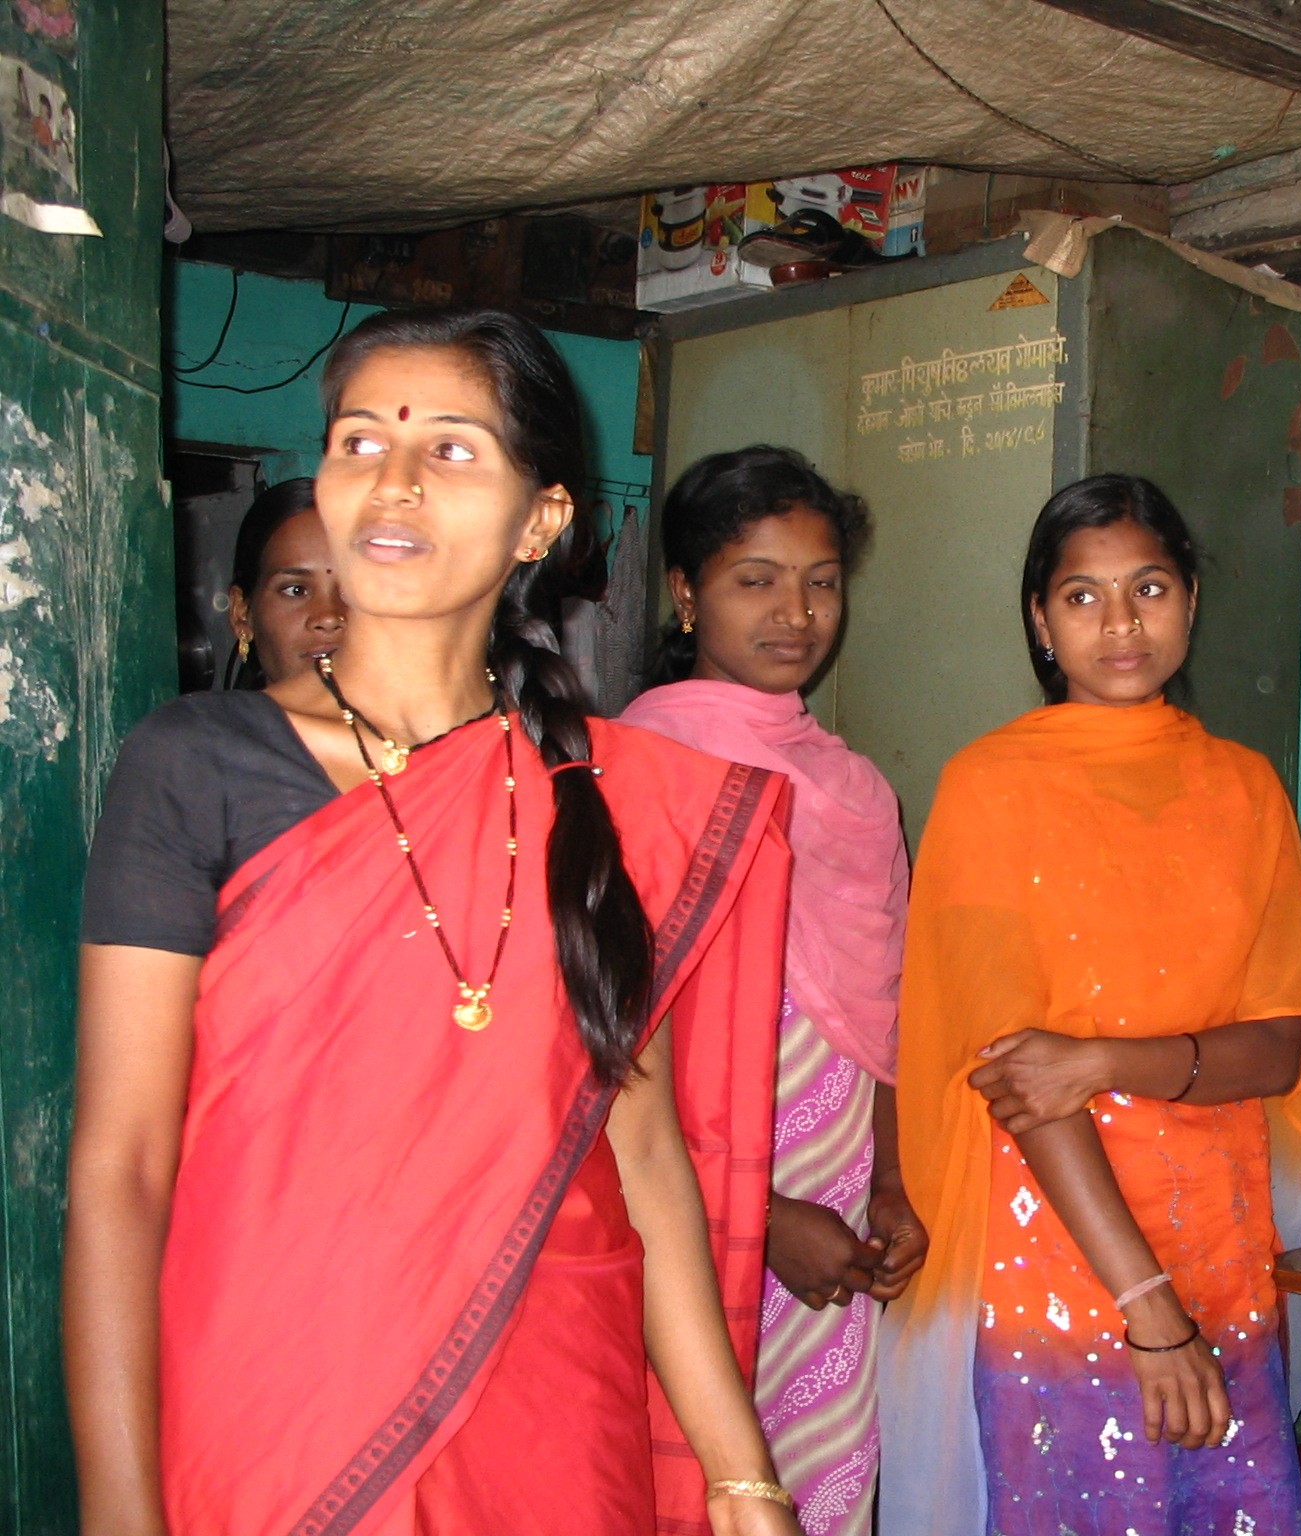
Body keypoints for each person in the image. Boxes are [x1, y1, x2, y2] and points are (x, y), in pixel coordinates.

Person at [64, 308, 801, 1536]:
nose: (391, 482)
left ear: (540, 519)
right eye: (359, 442)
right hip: (276, 1410)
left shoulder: (600, 797)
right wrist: (118, 1511)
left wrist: (740, 1475)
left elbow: (644, 1157)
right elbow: (121, 1166)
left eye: (448, 449)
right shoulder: (196, 761)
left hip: (550, 1415)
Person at [878, 475, 1301, 1536]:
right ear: (1041, 623)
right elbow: (1017, 1079)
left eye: (1149, 588)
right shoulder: (990, 787)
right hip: (1061, 1248)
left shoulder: (1245, 787)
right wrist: (1144, 1303)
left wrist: (1102, 1061)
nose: (1120, 622)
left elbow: (1278, 1048)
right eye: (1082, 597)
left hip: (1219, 1233)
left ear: (1190, 600)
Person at [623, 446, 928, 1536]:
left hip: (837, 1207)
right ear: (686, 591)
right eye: (756, 580)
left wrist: (891, 1182)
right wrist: (755, 1217)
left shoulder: (856, 789)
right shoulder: (638, 766)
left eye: (820, 581)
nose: (795, 613)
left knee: (824, 1481)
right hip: (685, 1209)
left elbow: (886, 1008)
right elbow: (605, 1054)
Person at [223, 476, 347, 688]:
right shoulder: (196, 711)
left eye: (352, 591)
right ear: (241, 613)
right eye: (296, 590)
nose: (329, 618)